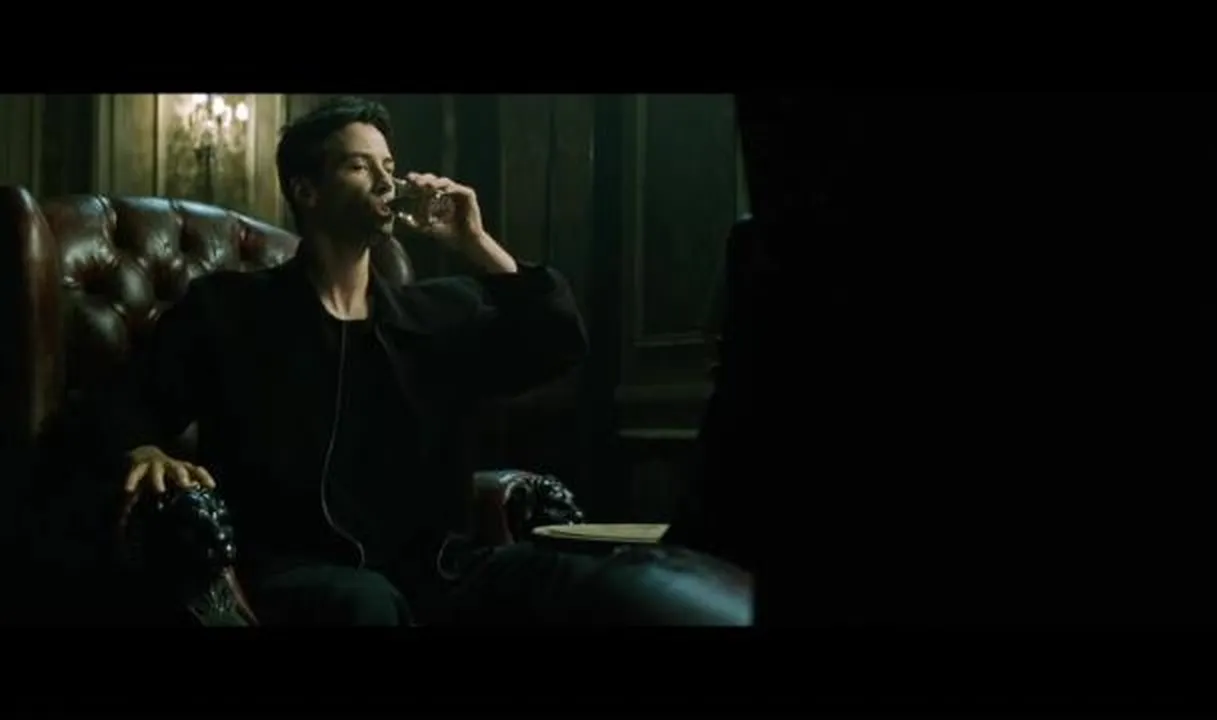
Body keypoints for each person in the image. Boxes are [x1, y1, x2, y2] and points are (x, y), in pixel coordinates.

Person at [85, 96, 749, 626]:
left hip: (441, 569)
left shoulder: (433, 315)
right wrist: (145, 448)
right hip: (296, 570)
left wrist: (475, 241)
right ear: (306, 190)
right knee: (367, 603)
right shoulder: (232, 310)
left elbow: (557, 342)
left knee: (592, 582)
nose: (387, 180)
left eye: (389, 164)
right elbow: (120, 404)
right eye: (359, 165)